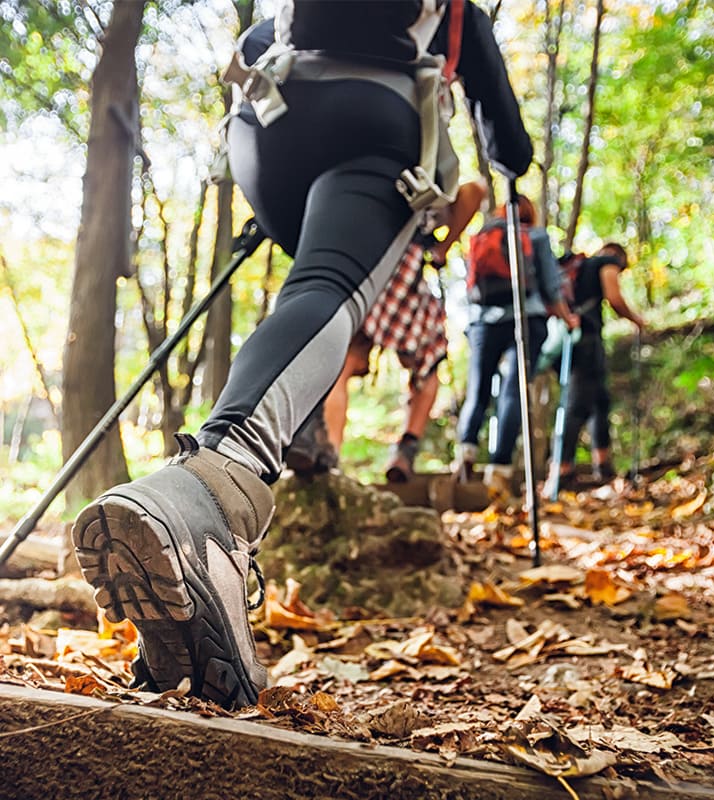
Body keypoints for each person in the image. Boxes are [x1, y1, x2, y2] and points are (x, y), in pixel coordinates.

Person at [72, 0, 533, 709]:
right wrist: (508, 159)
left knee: (308, 287)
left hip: (265, 125)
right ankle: (214, 498)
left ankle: (293, 444)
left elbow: (259, 37)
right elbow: (508, 145)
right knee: (329, 289)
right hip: (370, 121)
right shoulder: (457, 11)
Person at [288, 179, 486, 483]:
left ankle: (328, 453)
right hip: (406, 273)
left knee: (342, 364)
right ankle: (405, 449)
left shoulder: (366, 181)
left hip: (362, 266)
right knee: (426, 366)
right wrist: (442, 248)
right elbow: (477, 189)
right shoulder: (425, 176)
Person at [454, 195, 578, 500]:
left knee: (478, 389)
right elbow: (551, 284)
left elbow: (469, 286)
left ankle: (465, 453)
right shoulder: (535, 236)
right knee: (513, 390)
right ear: (530, 214)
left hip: (484, 321)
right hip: (526, 318)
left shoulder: (484, 234)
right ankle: (499, 469)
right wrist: (568, 318)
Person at [544, 242, 645, 491]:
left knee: (600, 400)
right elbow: (614, 297)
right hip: (585, 340)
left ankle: (603, 465)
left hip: (568, 341)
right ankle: (561, 470)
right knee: (577, 404)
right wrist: (636, 320)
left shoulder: (576, 268)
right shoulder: (605, 263)